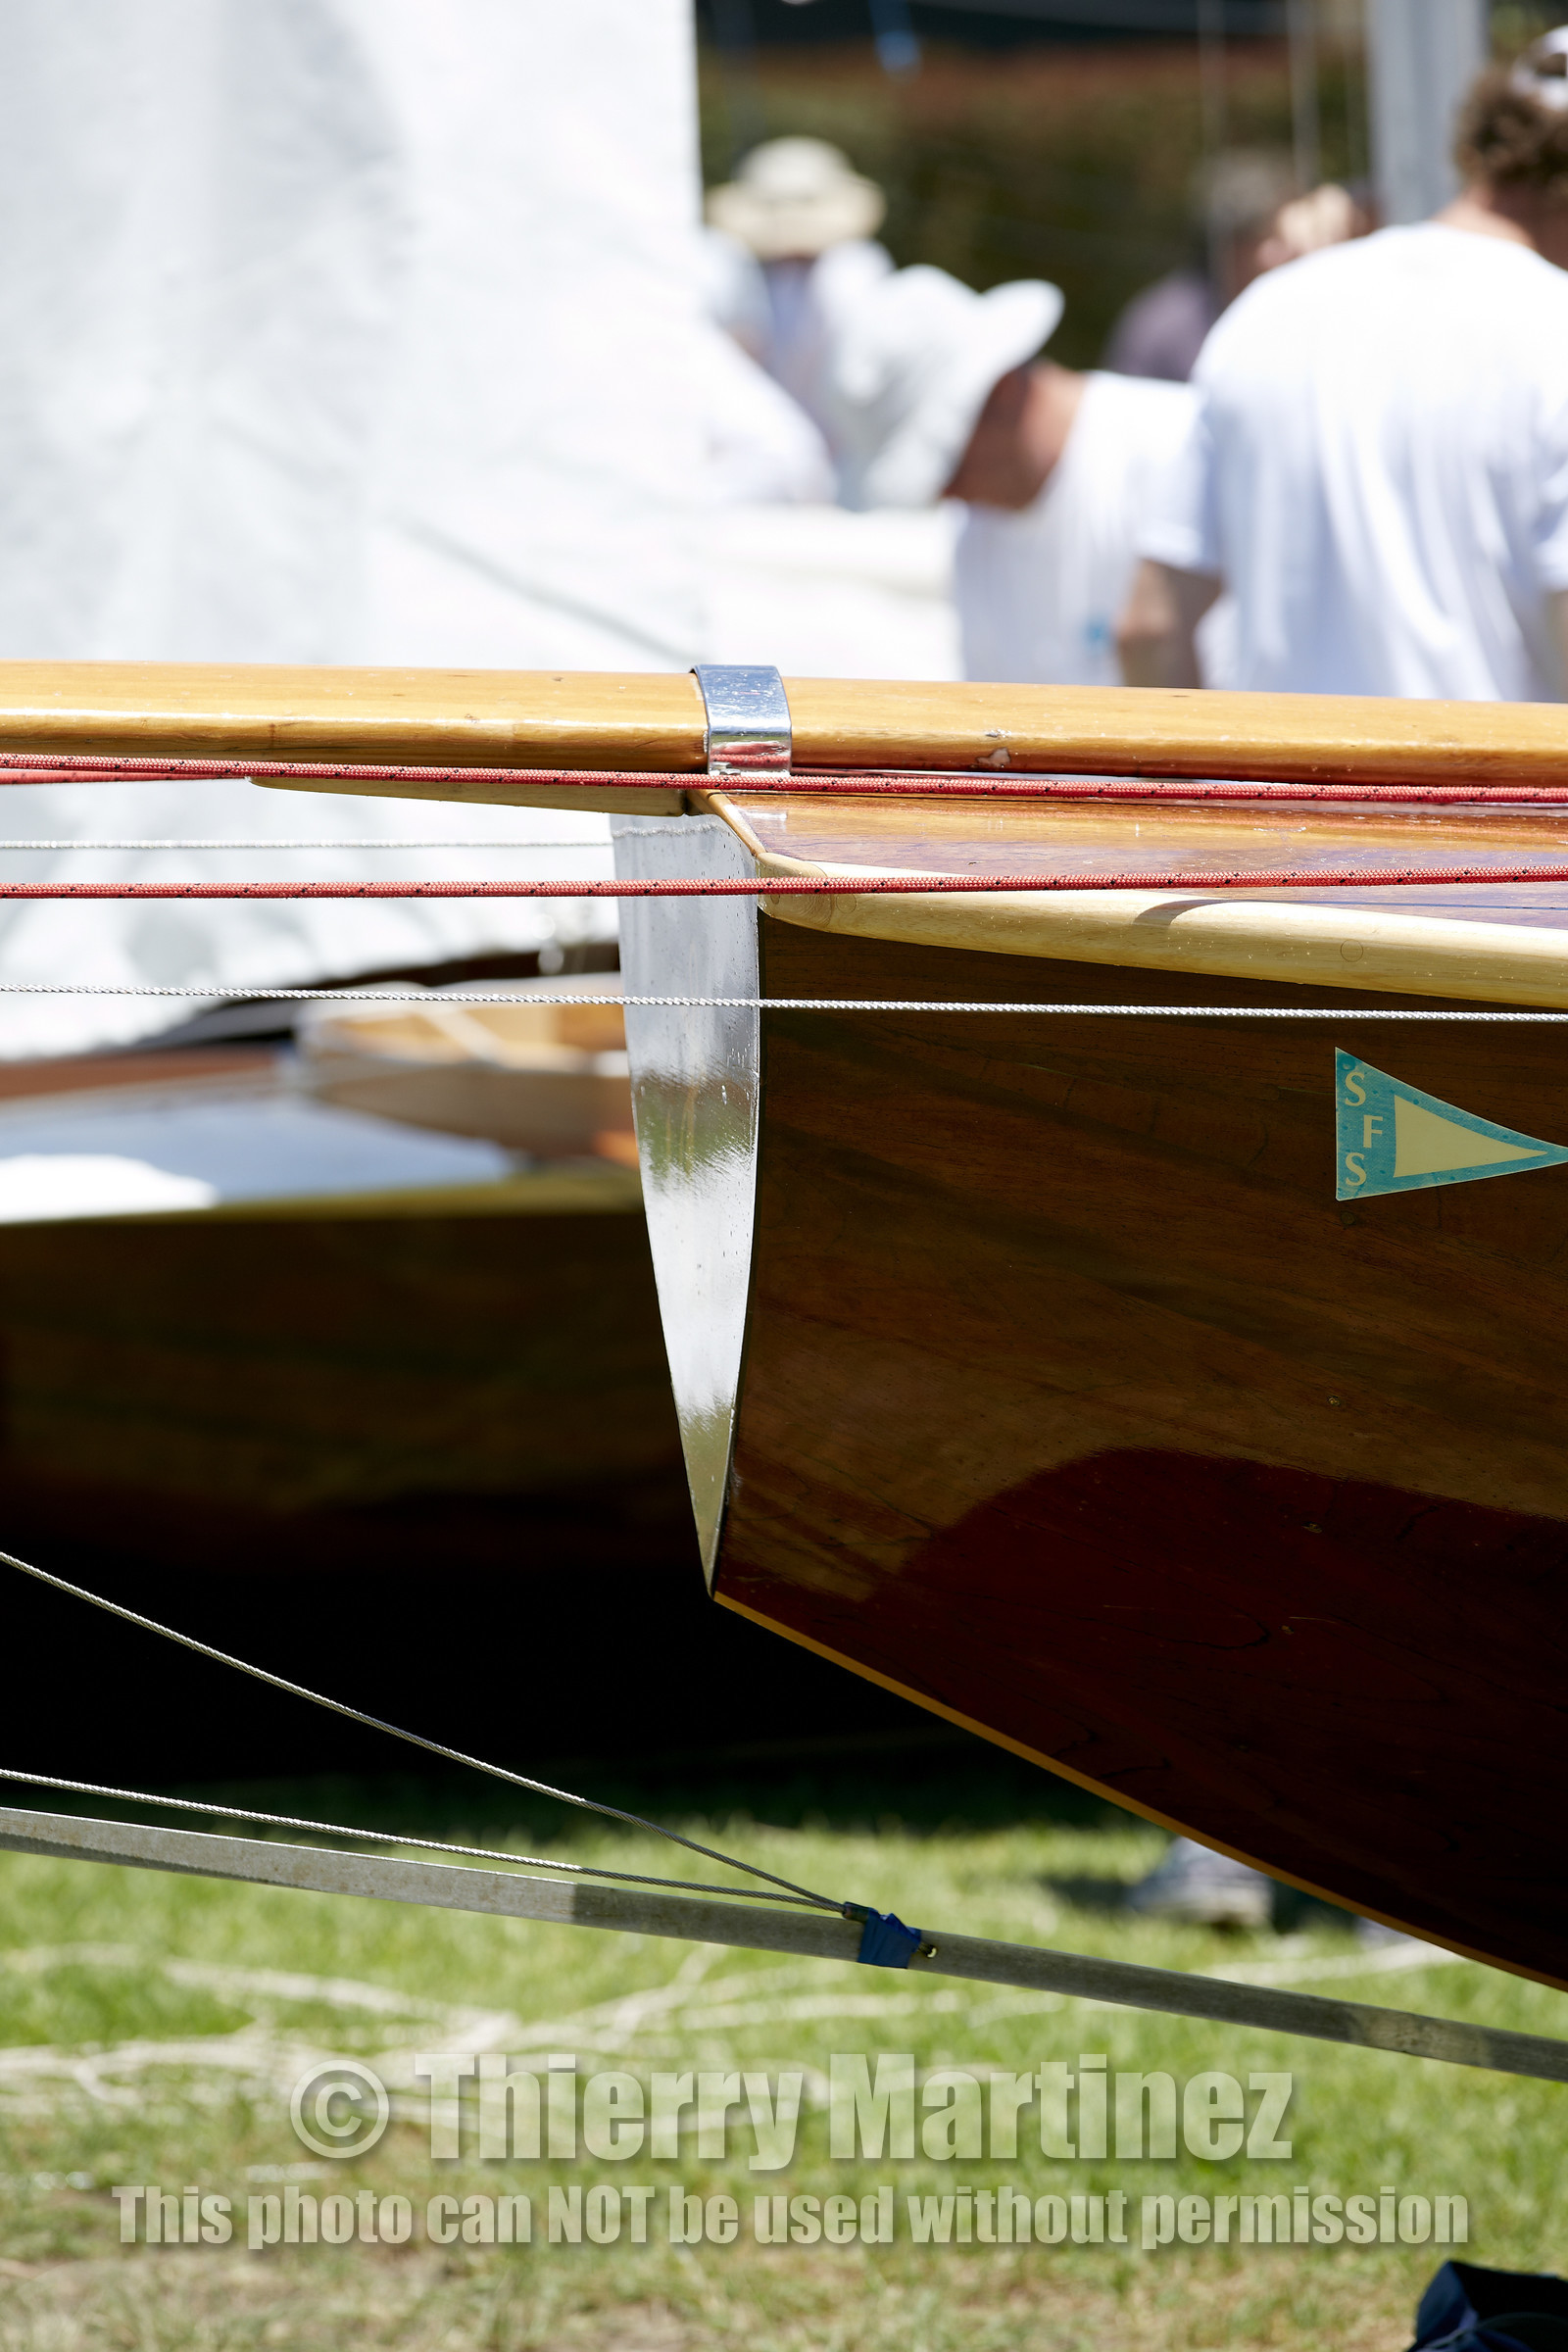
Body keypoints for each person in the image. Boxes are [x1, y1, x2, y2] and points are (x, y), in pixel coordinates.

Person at [1119, 31, 1568, 702]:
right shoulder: (1553, 327)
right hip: (1501, 804)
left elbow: (1150, 626)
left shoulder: (1266, 311)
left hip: (1285, 802)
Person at [808, 257, 1211, 686]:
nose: (945, 496)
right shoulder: (976, 529)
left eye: (949, 471)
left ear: (999, 392)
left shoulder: (1176, 448)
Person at [1105, 152, 1360, 384]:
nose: (1287, 251)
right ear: (1231, 245)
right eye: (1271, 237)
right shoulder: (1166, 328)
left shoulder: (1313, 298)